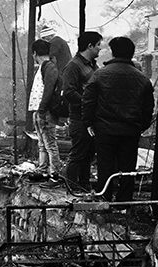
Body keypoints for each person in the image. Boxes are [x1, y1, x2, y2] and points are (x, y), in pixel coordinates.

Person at [82, 36, 154, 202]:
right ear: (131, 53)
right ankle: (124, 202)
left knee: (105, 166)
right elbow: (148, 108)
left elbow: (88, 101)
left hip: (105, 130)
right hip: (130, 131)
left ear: (113, 53)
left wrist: (89, 123)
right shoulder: (142, 79)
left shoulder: (100, 75)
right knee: (128, 168)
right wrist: (140, 126)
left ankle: (104, 199)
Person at [60, 31, 103, 189]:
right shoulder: (73, 66)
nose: (100, 49)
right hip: (79, 119)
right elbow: (69, 92)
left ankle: (84, 185)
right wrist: (87, 102)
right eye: (98, 45)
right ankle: (71, 186)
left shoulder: (93, 65)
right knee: (78, 153)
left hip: (91, 118)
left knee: (88, 154)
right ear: (89, 46)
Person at [28, 39, 63, 176]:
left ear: (35, 53)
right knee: (42, 144)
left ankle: (55, 175)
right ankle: (42, 170)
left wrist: (42, 110)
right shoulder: (44, 67)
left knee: (50, 145)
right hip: (40, 111)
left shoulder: (49, 67)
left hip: (45, 112)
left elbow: (49, 89)